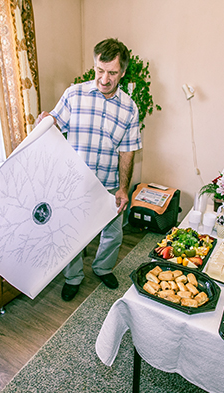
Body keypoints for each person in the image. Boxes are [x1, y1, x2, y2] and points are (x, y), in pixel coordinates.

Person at [38, 38, 141, 301]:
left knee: (113, 232)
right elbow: (54, 121)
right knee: (70, 233)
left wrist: (123, 189)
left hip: (107, 183)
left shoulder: (129, 108)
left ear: (123, 72)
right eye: (99, 70)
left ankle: (102, 267)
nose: (104, 79)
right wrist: (44, 121)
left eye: (112, 73)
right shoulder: (74, 94)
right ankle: (73, 277)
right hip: (73, 182)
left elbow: (127, 151)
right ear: (94, 65)